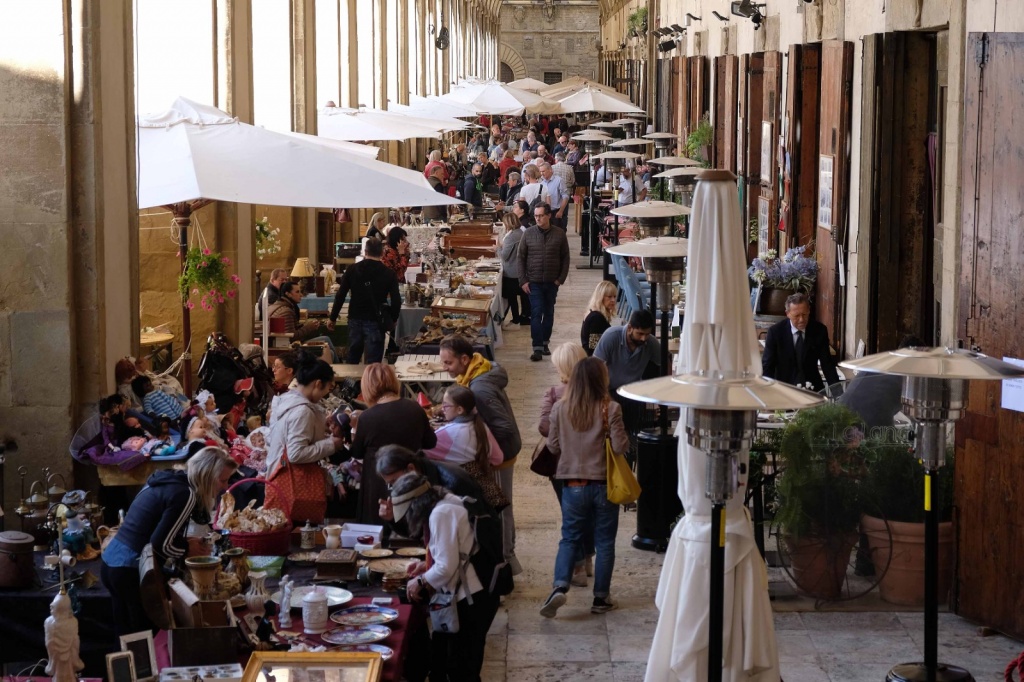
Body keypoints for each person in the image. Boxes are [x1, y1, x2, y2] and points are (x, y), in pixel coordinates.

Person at [101, 447, 237, 635]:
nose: (225, 486)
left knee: (125, 638)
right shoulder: (186, 493)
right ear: (206, 476)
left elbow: (152, 531)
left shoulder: (168, 481)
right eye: (222, 480)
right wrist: (187, 548)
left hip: (111, 562)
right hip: (130, 569)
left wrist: (183, 542)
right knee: (143, 638)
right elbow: (160, 545)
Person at [540, 357, 629, 618]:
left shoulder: (559, 408)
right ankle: (601, 598)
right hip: (603, 484)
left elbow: (553, 446)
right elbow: (620, 447)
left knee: (569, 537)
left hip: (571, 485)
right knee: (605, 543)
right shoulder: (610, 408)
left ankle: (559, 586)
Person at [393, 473, 501, 682]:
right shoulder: (446, 500)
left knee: (462, 670)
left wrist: (421, 581)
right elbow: (457, 549)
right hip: (476, 592)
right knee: (453, 663)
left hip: (470, 599)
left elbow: (445, 567)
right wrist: (426, 565)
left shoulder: (440, 514)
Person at [439, 336, 522, 574]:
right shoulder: (481, 369)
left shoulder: (479, 387)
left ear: (465, 360)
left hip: (500, 456)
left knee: (500, 505)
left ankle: (507, 562)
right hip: (498, 453)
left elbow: (503, 426)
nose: (445, 368)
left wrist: (479, 436)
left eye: (449, 363)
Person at [350, 363, 437, 524]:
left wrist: (354, 431)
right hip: (410, 477)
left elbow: (356, 452)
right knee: (411, 524)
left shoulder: (367, 417)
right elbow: (430, 442)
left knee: (377, 527)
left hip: (378, 481)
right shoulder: (415, 409)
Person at [265, 350, 344, 523]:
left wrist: (321, 425)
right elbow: (296, 453)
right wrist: (332, 444)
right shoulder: (302, 411)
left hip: (275, 478)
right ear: (317, 384)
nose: (326, 393)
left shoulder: (285, 401)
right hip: (293, 486)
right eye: (327, 388)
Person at [538, 342, 592, 587]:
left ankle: (578, 566)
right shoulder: (597, 393)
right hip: (592, 464)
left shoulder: (554, 394)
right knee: (588, 512)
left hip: (562, 465)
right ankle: (588, 559)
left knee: (570, 515)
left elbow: (545, 428)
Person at [423, 385, 508, 512]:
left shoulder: (448, 434)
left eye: (446, 405)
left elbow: (420, 449)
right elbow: (498, 458)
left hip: (459, 495)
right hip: (485, 495)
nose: (442, 408)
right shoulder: (482, 427)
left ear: (459, 410)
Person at [328, 237, 401, 364]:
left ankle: (351, 383)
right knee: (373, 364)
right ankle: (370, 384)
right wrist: (394, 319)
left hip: (355, 318)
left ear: (365, 251)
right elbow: (396, 300)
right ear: (382, 253)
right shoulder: (389, 273)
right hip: (376, 320)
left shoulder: (352, 269)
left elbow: (340, 295)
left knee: (352, 359)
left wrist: (333, 317)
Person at [594, 309, 660, 438]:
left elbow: (663, 364)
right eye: (640, 333)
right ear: (630, 328)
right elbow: (595, 368)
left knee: (638, 434)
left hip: (634, 393)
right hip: (609, 392)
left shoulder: (651, 343)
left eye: (647, 334)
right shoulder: (611, 336)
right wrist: (605, 397)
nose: (643, 338)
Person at [518, 204, 571, 362]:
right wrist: (523, 280)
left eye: (541, 215)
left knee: (548, 313)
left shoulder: (559, 234)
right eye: (535, 216)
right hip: (533, 282)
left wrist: (559, 279)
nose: (538, 219)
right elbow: (520, 258)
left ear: (549, 216)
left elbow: (565, 258)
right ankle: (537, 347)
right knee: (536, 313)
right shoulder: (528, 233)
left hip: (551, 282)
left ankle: (545, 343)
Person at [761, 292, 840, 392]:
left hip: (812, 388)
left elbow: (827, 364)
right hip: (783, 388)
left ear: (809, 311)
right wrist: (767, 394)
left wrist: (838, 394)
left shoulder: (819, 330)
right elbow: (768, 366)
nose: (801, 319)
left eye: (804, 314)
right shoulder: (775, 332)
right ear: (787, 314)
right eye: (797, 316)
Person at [268, 281, 339, 362]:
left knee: (326, 340)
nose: (301, 295)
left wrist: (304, 326)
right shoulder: (286, 311)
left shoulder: (280, 306)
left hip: (287, 347)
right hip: (290, 350)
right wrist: (309, 327)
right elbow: (292, 338)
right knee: (330, 351)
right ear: (288, 294)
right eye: (297, 292)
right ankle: (337, 371)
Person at [498, 213, 530, 327]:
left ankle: (515, 320)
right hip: (520, 271)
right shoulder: (520, 232)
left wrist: (496, 248)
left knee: (512, 298)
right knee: (520, 297)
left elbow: (505, 256)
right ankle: (522, 317)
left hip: (512, 272)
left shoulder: (511, 236)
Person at [581, 281, 618, 355]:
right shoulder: (596, 318)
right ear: (601, 297)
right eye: (609, 297)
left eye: (614, 296)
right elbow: (594, 347)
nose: (613, 300)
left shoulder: (593, 311)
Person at [539, 162, 571, 229]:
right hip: (546, 212)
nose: (542, 173)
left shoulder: (558, 180)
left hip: (556, 212)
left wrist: (561, 211)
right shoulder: (541, 183)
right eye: (540, 171)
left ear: (550, 170)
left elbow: (565, 196)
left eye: (543, 171)